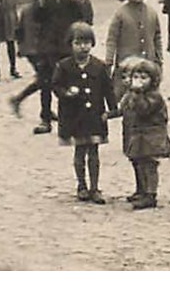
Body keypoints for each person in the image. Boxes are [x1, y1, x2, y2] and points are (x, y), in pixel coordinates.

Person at [10, 0, 91, 134]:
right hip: (47, 46)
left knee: (69, 82)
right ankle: (45, 119)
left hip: (67, 45)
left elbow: (84, 15)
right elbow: (37, 18)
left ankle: (69, 118)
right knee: (46, 83)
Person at [52, 22, 116, 204]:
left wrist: (112, 109)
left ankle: (95, 188)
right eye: (78, 43)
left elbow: (108, 89)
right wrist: (66, 93)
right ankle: (81, 185)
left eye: (87, 42)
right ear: (70, 44)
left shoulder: (99, 66)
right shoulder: (64, 66)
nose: (83, 47)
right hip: (75, 117)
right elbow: (55, 86)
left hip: (95, 116)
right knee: (80, 151)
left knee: (94, 152)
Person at [116, 56, 170, 209]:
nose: (138, 80)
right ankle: (141, 189)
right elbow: (123, 108)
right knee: (139, 163)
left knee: (150, 164)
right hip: (138, 134)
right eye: (136, 76)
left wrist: (136, 92)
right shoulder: (132, 94)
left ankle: (151, 195)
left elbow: (143, 109)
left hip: (151, 136)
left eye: (143, 77)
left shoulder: (154, 96)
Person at [104, 0, 163, 95]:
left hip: (148, 62)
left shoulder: (152, 13)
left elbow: (157, 37)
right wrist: (109, 61)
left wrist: (159, 59)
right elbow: (112, 39)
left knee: (149, 94)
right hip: (126, 65)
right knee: (126, 95)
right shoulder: (120, 14)